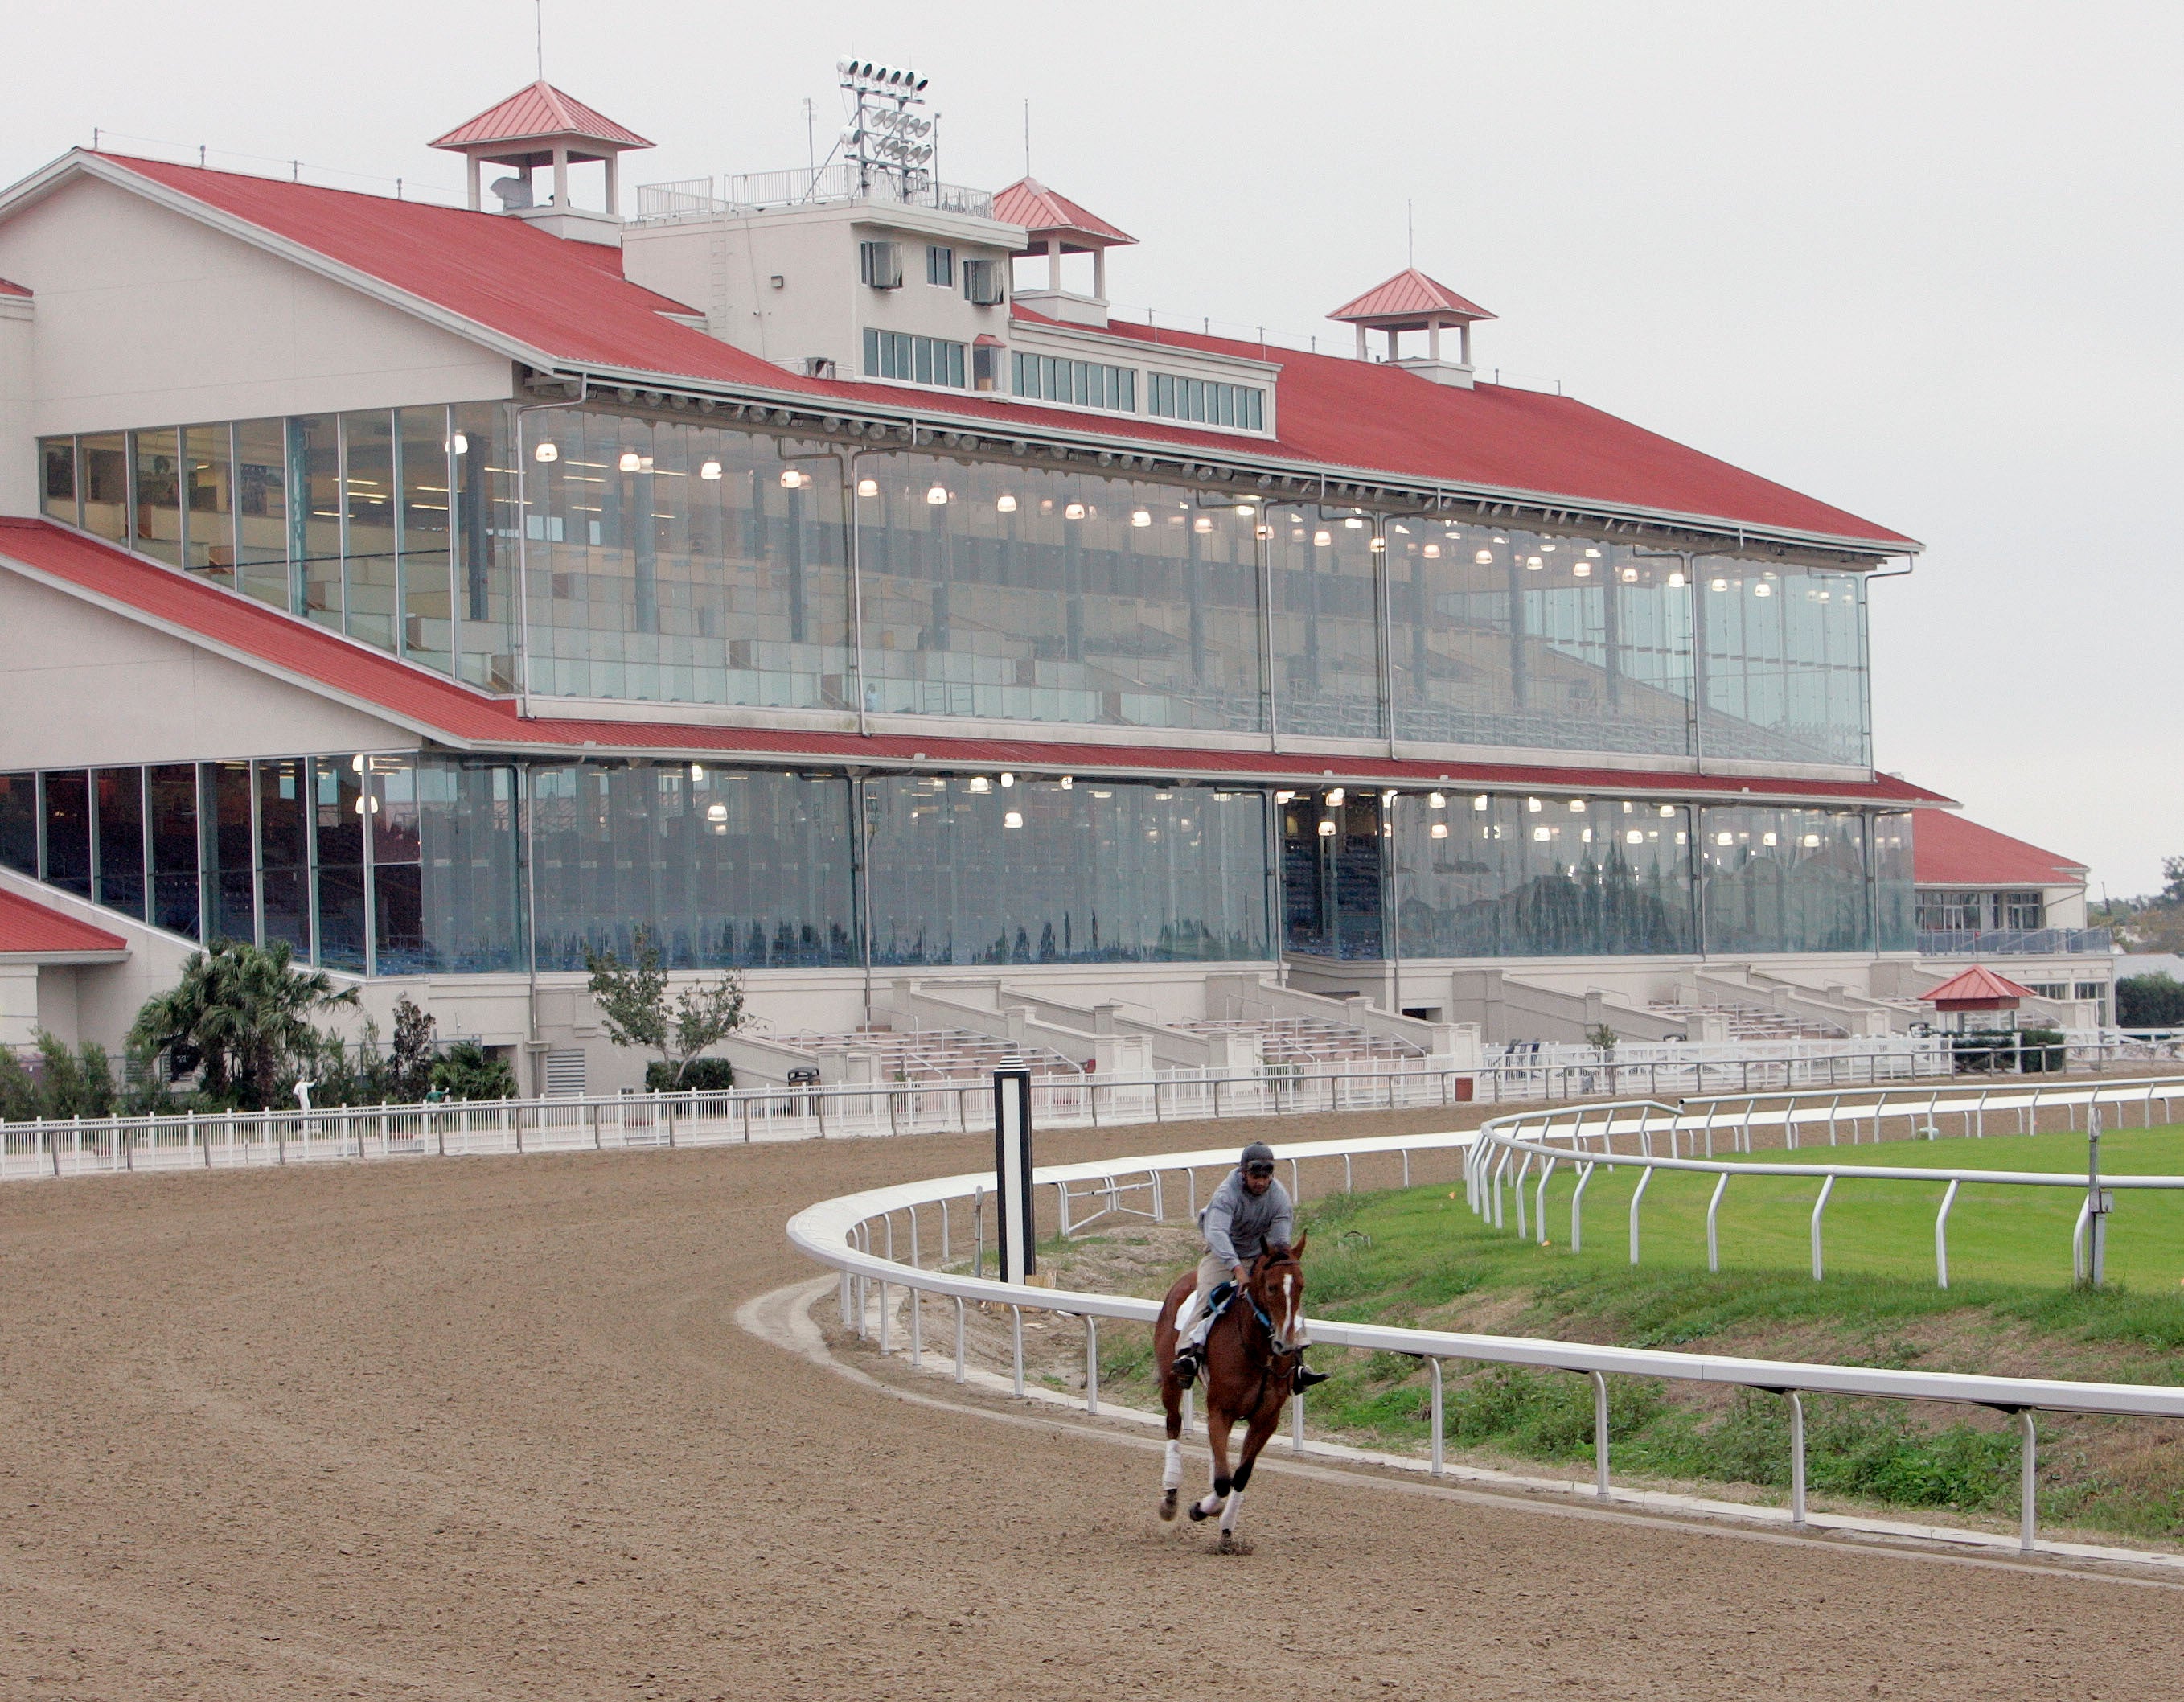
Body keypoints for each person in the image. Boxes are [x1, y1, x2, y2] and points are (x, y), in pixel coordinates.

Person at [1170, 1141, 1329, 1392]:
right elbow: (1217, 1233)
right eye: (1255, 1176)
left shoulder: (1279, 1197)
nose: (1261, 1182)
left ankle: (1298, 1362)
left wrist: (1273, 1266)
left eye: (1266, 1177)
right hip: (1223, 1253)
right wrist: (1237, 1269)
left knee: (1287, 1293)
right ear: (1243, 1173)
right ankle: (1188, 1353)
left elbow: (1279, 1242)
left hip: (1259, 1254)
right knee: (1206, 1292)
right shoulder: (1226, 1194)